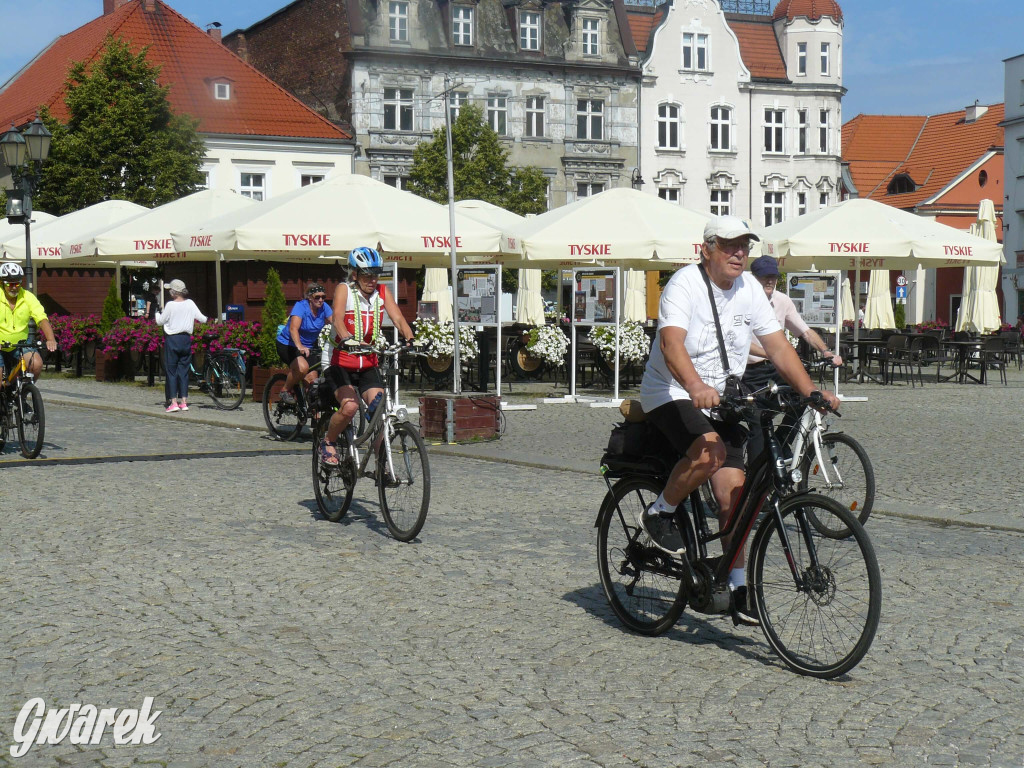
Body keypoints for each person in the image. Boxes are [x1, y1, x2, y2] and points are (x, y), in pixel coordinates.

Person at [637, 215, 840, 626]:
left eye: (744, 246)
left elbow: (779, 347)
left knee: (736, 496)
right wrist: (694, 386)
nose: (739, 253)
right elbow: (671, 344)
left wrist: (810, 391)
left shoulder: (748, 287)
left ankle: (738, 586)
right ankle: (660, 512)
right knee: (709, 452)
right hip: (672, 392)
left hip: (722, 397)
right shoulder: (684, 285)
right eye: (729, 245)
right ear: (706, 249)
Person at [320, 247, 414, 467]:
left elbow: (398, 318)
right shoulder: (345, 289)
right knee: (350, 407)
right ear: (355, 274)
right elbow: (338, 319)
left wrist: (410, 338)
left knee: (381, 410)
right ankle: (328, 441)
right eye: (367, 274)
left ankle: (382, 462)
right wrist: (347, 339)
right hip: (339, 362)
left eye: (376, 274)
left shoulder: (382, 291)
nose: (373, 279)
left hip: (367, 363)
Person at [274, 282, 333, 405]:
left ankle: (314, 416)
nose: (321, 300)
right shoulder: (301, 307)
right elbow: (293, 329)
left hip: (309, 347)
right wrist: (299, 346)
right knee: (302, 368)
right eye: (317, 297)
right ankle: (285, 390)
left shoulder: (324, 308)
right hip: (288, 344)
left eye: (323, 297)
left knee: (313, 382)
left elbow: (336, 323)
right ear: (309, 297)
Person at [155, 279, 207, 413]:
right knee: (184, 372)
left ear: (173, 292)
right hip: (186, 340)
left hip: (172, 340)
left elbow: (160, 322)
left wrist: (156, 314)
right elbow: (203, 319)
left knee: (171, 371)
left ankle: (173, 402)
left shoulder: (170, 305)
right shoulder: (190, 303)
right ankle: (184, 401)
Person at [0, 263, 58, 381]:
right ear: (1, 283)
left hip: (21, 342)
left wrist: (51, 339)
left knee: (36, 365)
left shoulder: (27, 296)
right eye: (9, 284)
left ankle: (22, 390)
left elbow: (41, 318)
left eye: (17, 283)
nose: (14, 287)